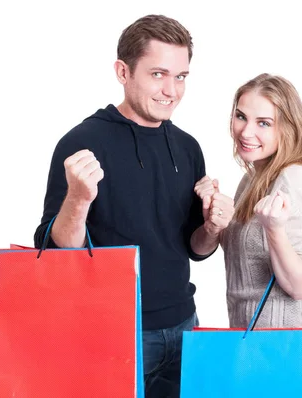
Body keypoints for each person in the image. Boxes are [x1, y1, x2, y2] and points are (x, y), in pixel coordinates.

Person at [33, 14, 234, 398]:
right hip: (115, 334)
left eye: (181, 77)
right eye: (158, 74)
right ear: (123, 72)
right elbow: (58, 253)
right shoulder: (82, 142)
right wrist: (78, 199)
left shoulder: (188, 146)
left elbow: (195, 248)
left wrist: (211, 227)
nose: (171, 91)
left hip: (185, 326)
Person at [202, 73, 302, 329]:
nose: (246, 131)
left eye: (264, 123)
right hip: (250, 342)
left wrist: (275, 230)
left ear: (288, 128)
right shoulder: (250, 181)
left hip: (284, 349)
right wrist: (213, 220)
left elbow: (298, 286)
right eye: (241, 117)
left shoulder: (294, 180)